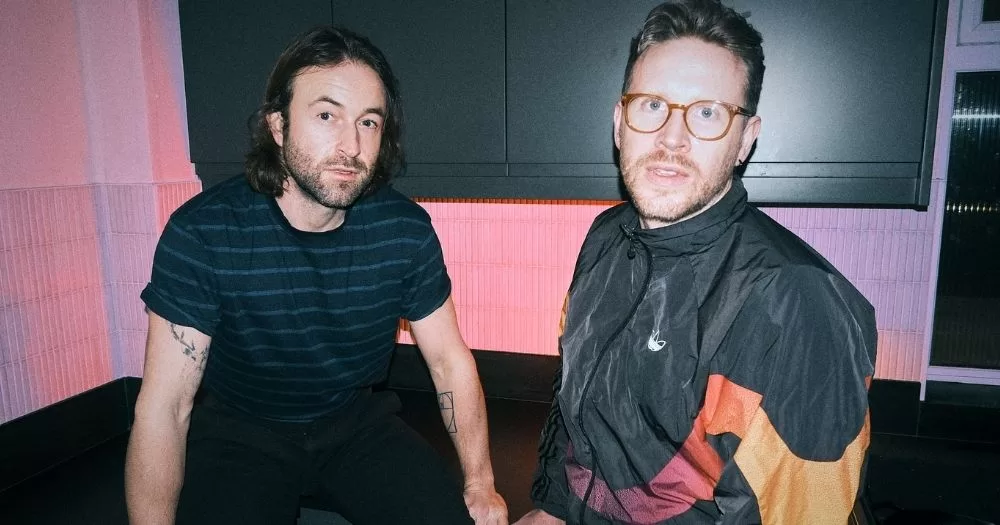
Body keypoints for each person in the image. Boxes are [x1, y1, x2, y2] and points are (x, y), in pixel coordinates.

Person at [125, 26, 507, 525]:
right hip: (240, 432)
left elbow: (449, 362)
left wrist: (481, 484)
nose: (351, 145)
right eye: (327, 115)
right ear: (278, 126)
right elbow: (165, 404)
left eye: (368, 122)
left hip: (356, 425)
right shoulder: (206, 233)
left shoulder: (403, 231)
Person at [515, 1, 877, 524]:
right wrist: (551, 505)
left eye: (707, 113)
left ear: (745, 140)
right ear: (620, 123)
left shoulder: (797, 305)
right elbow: (573, 403)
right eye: (651, 105)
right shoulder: (604, 238)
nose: (671, 139)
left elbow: (802, 514)